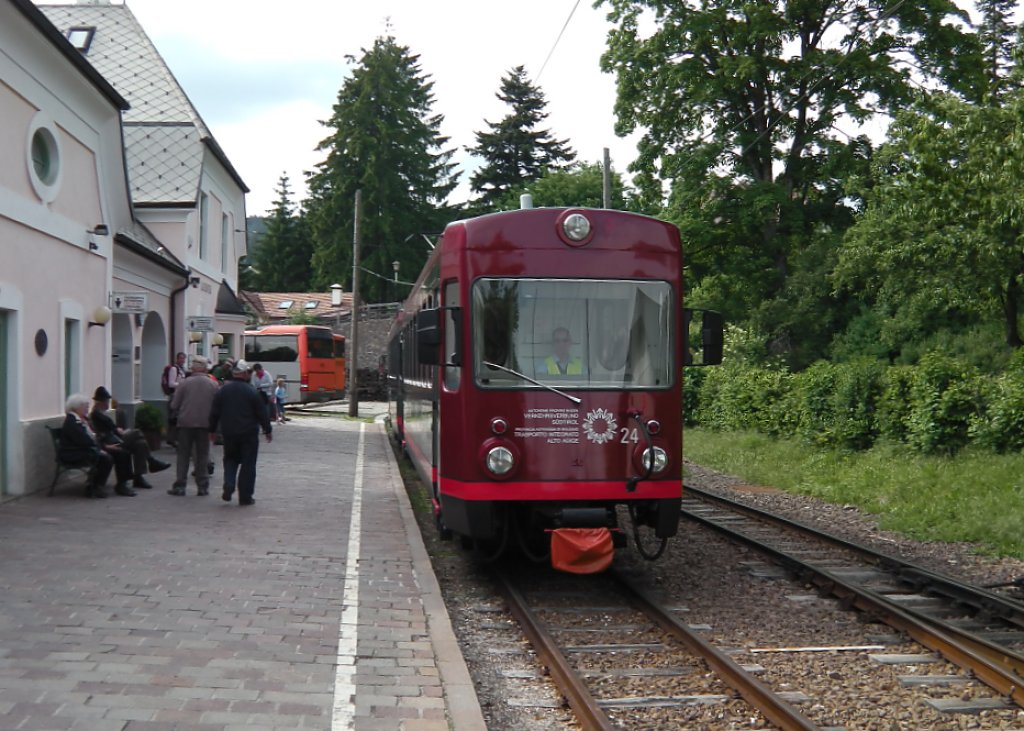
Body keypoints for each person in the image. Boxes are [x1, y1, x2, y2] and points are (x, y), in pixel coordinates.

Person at [210, 359, 272, 506]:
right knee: (248, 464)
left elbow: (214, 412)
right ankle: (245, 496)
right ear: (245, 374)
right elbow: (262, 413)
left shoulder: (223, 391)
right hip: (248, 434)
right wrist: (267, 429)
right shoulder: (252, 391)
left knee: (230, 460)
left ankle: (229, 483)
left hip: (229, 432)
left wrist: (212, 430)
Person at [89, 386, 170, 490]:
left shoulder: (100, 413)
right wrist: (119, 431)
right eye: (105, 401)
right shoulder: (96, 414)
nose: (107, 403)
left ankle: (139, 477)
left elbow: (111, 429)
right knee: (137, 432)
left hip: (115, 438)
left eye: (107, 401)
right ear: (99, 402)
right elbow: (106, 431)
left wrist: (118, 431)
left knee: (140, 443)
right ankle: (151, 461)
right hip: (111, 443)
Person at [168, 355, 219, 496]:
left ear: (193, 367)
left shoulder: (185, 383)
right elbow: (217, 406)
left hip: (185, 423)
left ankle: (180, 485)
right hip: (205, 423)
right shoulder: (213, 384)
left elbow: (174, 404)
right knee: (202, 455)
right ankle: (202, 486)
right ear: (205, 368)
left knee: (183, 454)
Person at [59, 394, 114, 498]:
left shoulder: (82, 419)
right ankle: (95, 487)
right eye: (85, 406)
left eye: (87, 406)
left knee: (117, 452)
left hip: (83, 449)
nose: (87, 408)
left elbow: (91, 436)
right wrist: (99, 449)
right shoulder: (72, 421)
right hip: (72, 453)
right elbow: (82, 440)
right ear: (76, 407)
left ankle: (118, 483)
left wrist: (101, 446)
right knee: (106, 458)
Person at [161, 352, 187, 446]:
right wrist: (182, 384)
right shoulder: (174, 369)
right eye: (181, 358)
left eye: (184, 359)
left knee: (177, 418)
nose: (182, 360)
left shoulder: (182, 369)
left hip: (180, 395)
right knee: (173, 418)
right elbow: (171, 384)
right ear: (177, 359)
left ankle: (173, 438)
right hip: (174, 396)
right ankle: (171, 438)